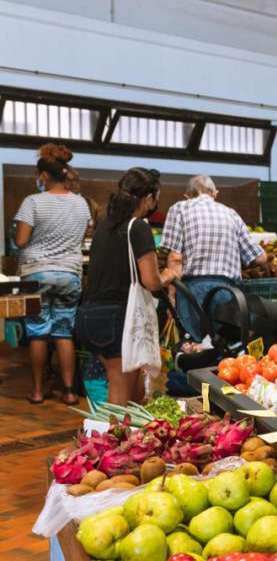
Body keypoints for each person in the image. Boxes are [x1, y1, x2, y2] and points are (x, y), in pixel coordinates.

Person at [75, 168, 178, 405]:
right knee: (119, 404)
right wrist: (169, 274)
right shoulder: (138, 227)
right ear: (149, 198)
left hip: (89, 316)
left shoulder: (104, 225)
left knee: (135, 398)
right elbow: (151, 280)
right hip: (117, 320)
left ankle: (130, 438)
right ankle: (108, 440)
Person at [12, 144, 91, 404]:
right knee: (63, 332)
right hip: (70, 273)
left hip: (37, 273)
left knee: (37, 332)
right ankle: (69, 392)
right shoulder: (81, 204)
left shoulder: (32, 202)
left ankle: (37, 391)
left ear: (44, 175)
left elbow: (21, 241)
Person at [162, 175, 266, 339]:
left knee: (197, 346)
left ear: (188, 195)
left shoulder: (180, 208)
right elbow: (260, 258)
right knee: (224, 344)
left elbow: (175, 258)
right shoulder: (231, 213)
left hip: (193, 292)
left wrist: (171, 296)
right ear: (215, 194)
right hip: (227, 291)